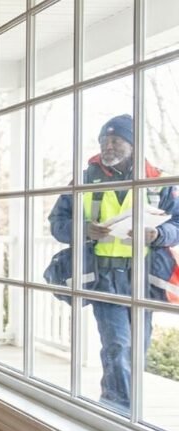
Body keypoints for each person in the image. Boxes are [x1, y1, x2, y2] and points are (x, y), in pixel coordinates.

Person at [48, 114, 179, 412]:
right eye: (104, 140)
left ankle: (120, 407)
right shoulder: (83, 180)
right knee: (117, 345)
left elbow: (178, 225)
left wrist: (157, 234)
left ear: (133, 144)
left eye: (117, 139)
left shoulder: (158, 182)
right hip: (104, 275)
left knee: (137, 349)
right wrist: (83, 229)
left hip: (142, 277)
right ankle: (119, 410)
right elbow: (56, 223)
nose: (109, 145)